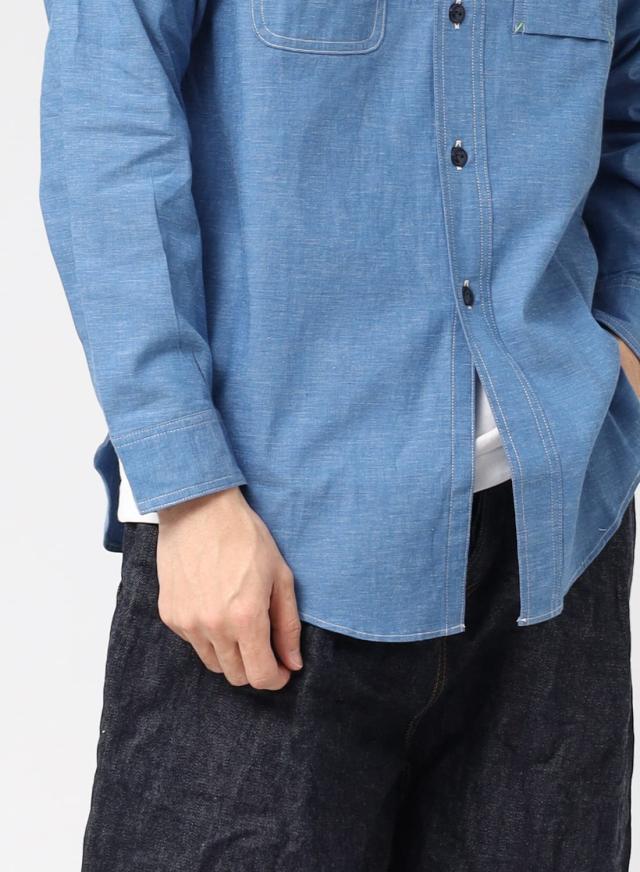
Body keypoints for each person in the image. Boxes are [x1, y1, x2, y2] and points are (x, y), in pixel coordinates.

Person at [40, 1, 640, 869]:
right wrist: (191, 492)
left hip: (556, 544)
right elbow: (106, 115)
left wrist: (626, 342)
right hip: (264, 558)